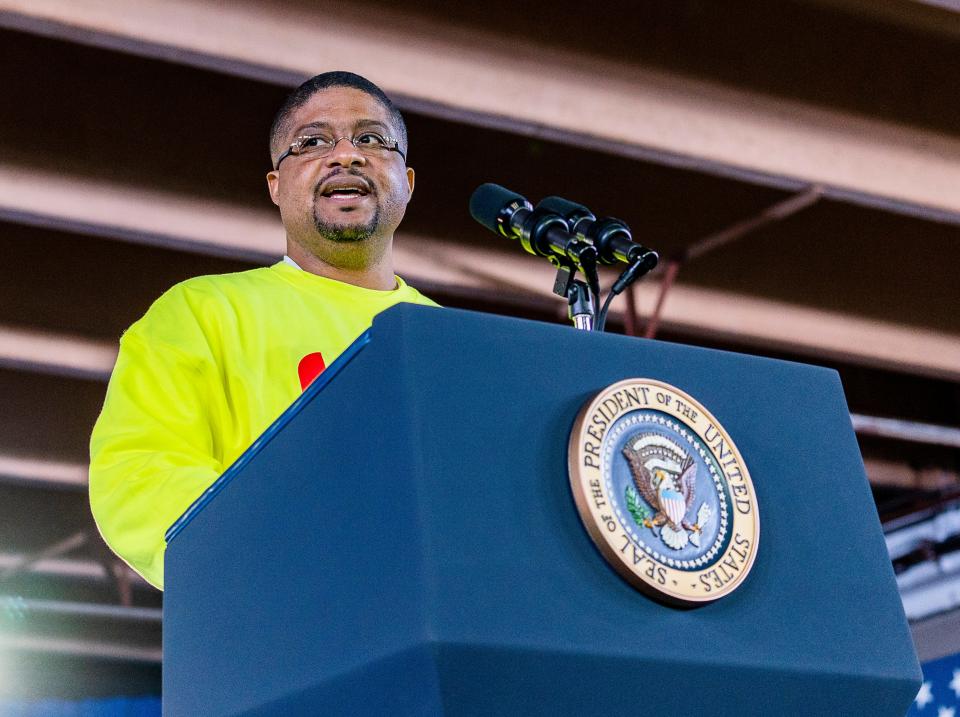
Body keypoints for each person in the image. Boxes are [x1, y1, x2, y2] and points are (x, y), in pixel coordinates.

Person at [89, 71, 437, 590]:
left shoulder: (447, 338)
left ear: (406, 182)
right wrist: (295, 549)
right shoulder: (201, 311)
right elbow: (138, 475)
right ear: (276, 186)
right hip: (279, 626)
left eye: (370, 138)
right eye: (313, 141)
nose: (346, 155)